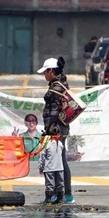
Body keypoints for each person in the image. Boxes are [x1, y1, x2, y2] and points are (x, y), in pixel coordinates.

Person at [38, 56, 74, 203]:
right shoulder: (59, 83)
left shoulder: (56, 86)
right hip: (59, 128)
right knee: (59, 160)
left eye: (45, 72)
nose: (44, 75)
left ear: (51, 71)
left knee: (56, 162)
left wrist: (50, 129)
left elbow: (54, 110)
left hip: (57, 129)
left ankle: (61, 194)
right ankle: (64, 194)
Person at [38, 130, 64, 204]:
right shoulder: (60, 143)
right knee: (60, 184)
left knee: (49, 184)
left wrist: (40, 167)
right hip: (59, 167)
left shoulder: (45, 144)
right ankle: (60, 199)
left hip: (49, 168)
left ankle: (48, 199)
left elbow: (42, 157)